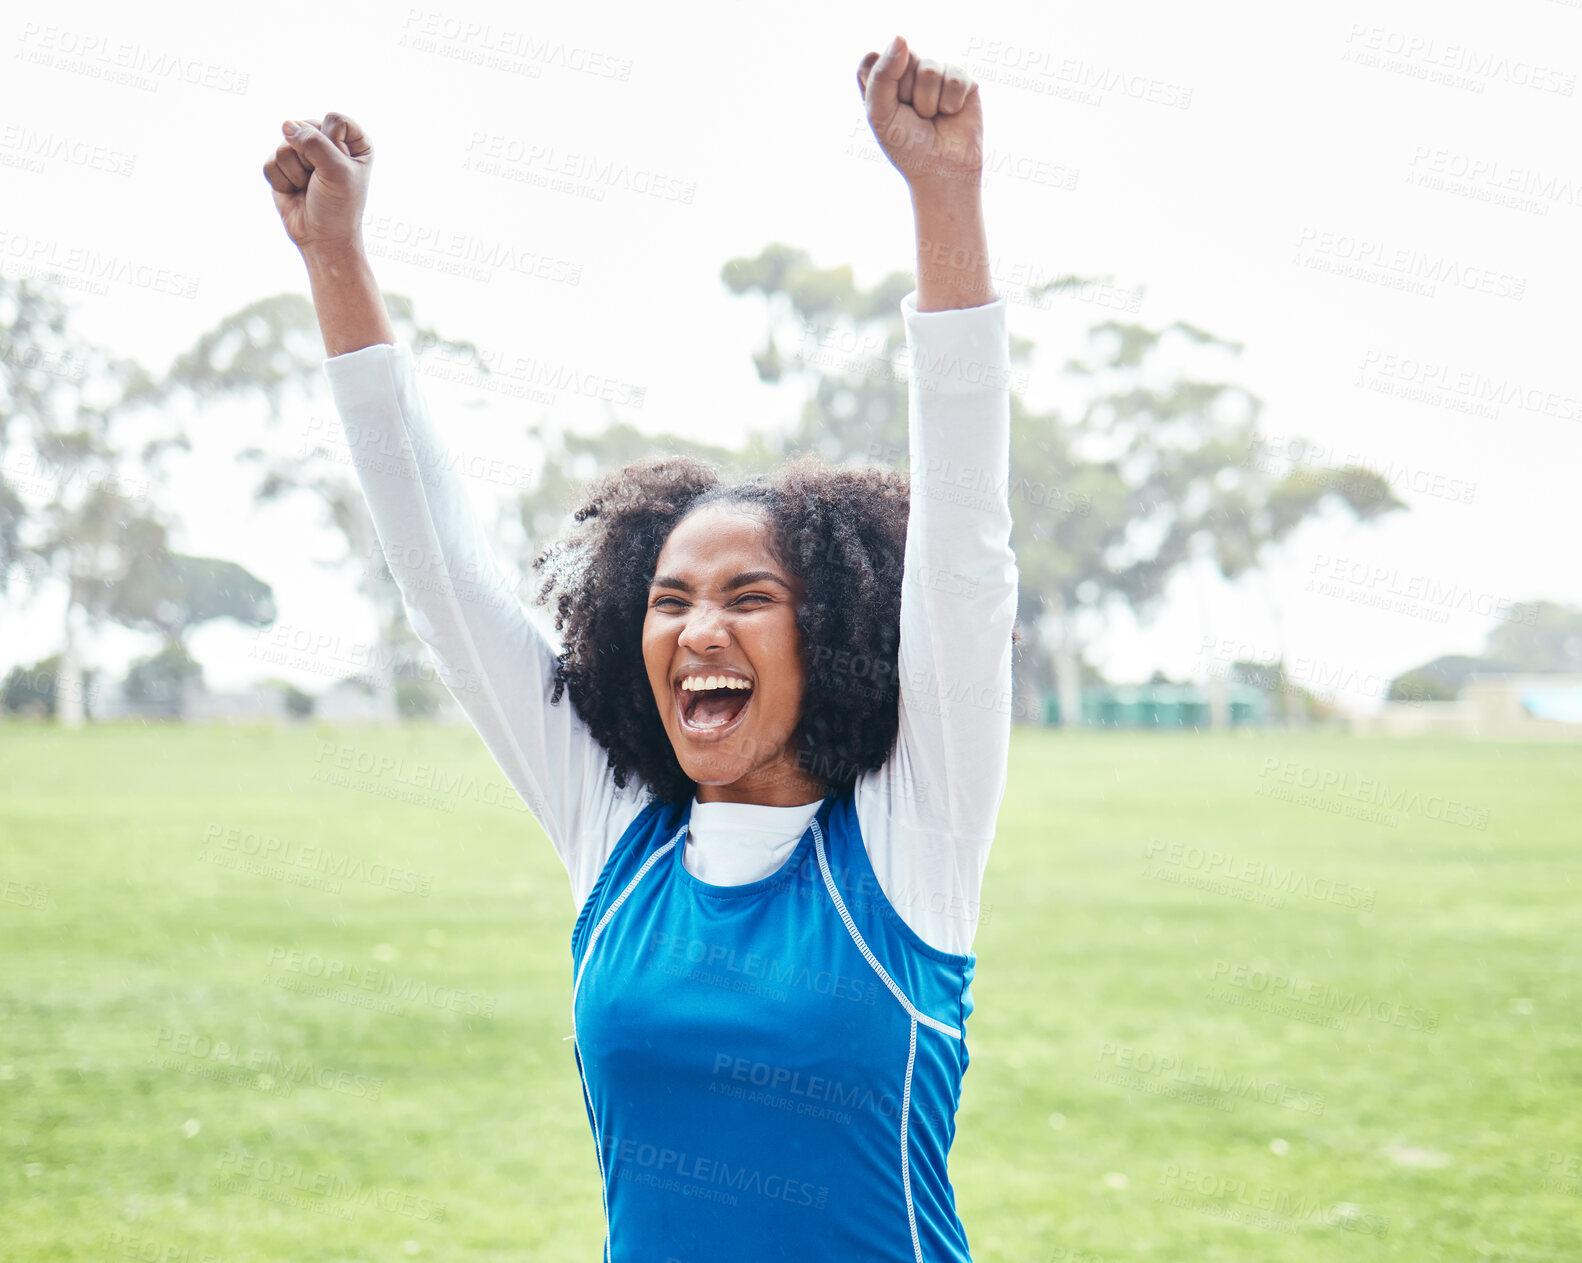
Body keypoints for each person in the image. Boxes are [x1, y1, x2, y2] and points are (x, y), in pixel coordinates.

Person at [264, 32, 1018, 1261]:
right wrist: (337, 260)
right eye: (668, 600)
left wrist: (946, 195)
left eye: (747, 598)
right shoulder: (614, 837)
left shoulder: (907, 837)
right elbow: (439, 574)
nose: (698, 630)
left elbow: (964, 563)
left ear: (830, 633)